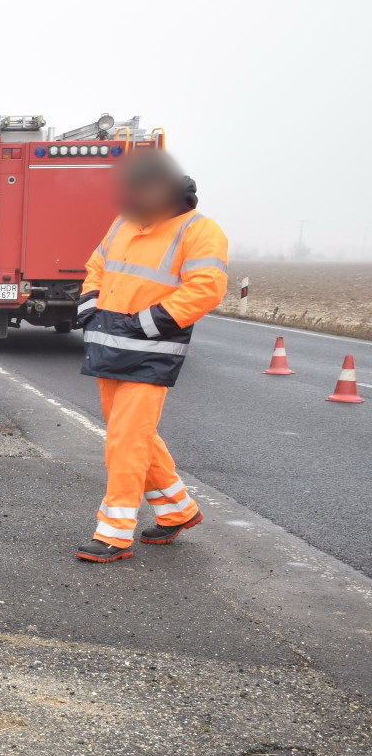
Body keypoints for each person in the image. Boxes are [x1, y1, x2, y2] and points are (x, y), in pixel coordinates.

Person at [73, 149, 229, 563]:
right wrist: (89, 307)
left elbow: (206, 288)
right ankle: (178, 510)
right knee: (133, 435)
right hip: (108, 347)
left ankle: (114, 533)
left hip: (151, 353)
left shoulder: (200, 230)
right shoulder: (123, 223)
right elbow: (96, 266)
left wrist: (143, 323)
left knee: (125, 440)